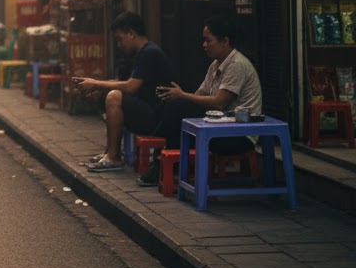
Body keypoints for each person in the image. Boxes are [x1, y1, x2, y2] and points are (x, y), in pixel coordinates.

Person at [139, 14, 262, 186]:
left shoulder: (237, 64)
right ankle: (162, 155)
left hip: (237, 136)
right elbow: (198, 95)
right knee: (171, 104)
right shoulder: (216, 65)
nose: (204, 45)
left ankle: (161, 155)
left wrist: (182, 96)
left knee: (176, 107)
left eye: (208, 40)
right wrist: (178, 97)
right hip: (218, 126)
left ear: (224, 41)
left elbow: (219, 102)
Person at [72, 11, 174, 173]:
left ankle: (114, 156)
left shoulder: (150, 53)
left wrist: (96, 83)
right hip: (148, 110)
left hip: (158, 118)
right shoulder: (143, 53)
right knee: (109, 94)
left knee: (114, 97)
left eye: (120, 39)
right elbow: (128, 85)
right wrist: (98, 87)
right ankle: (109, 153)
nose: (119, 45)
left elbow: (130, 87)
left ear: (131, 33)